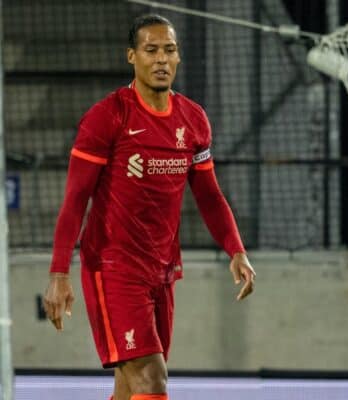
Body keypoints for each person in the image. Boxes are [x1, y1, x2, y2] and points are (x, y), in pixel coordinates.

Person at [42, 14, 256, 400]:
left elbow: (209, 195)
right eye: (151, 50)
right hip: (113, 268)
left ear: (178, 58)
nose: (161, 59)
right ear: (132, 56)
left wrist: (236, 249)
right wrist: (59, 273)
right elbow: (74, 201)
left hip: (162, 270)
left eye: (169, 50)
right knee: (152, 381)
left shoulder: (193, 119)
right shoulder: (107, 117)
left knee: (130, 389)